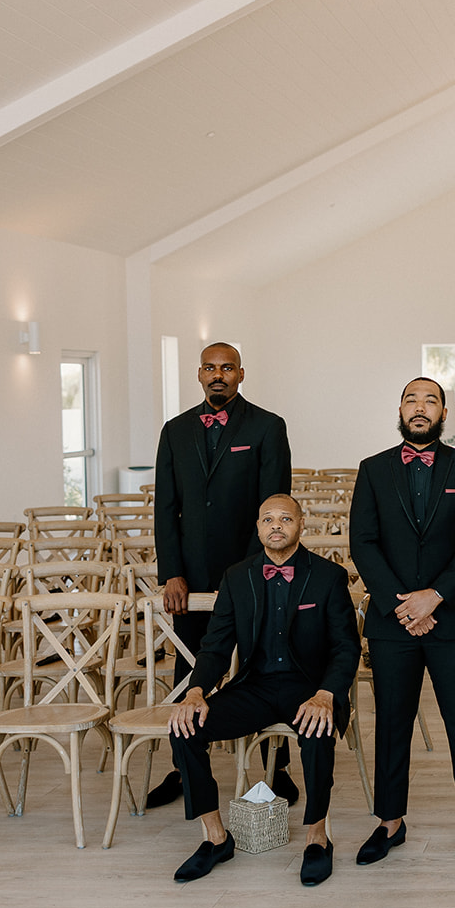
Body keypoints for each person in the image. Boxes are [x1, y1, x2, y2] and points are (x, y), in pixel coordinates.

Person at [167, 495, 359, 886]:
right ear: (257, 528)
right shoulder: (237, 577)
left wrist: (327, 695)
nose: (276, 526)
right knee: (184, 727)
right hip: (254, 687)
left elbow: (346, 647)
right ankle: (216, 838)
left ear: (301, 525)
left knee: (317, 728)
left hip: (309, 688)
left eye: (285, 519)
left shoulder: (327, 576)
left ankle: (318, 837)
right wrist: (196, 689)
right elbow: (216, 645)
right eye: (268, 519)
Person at [348, 377, 455, 865]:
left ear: (443, 412)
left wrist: (433, 597)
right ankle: (390, 822)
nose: (420, 407)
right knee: (392, 722)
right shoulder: (372, 470)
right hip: (393, 624)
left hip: (452, 617)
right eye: (412, 399)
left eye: (430, 400)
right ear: (399, 409)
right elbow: (363, 543)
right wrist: (400, 603)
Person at [151, 341, 295, 809]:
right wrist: (171, 572)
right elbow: (166, 508)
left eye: (227, 368)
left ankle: (278, 769)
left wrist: (252, 571)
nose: (219, 375)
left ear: (241, 374)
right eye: (210, 368)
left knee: (268, 665)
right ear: (198, 375)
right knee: (188, 668)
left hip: (253, 573)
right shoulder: (174, 431)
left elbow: (274, 508)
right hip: (189, 580)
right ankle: (183, 767)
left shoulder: (268, 427)